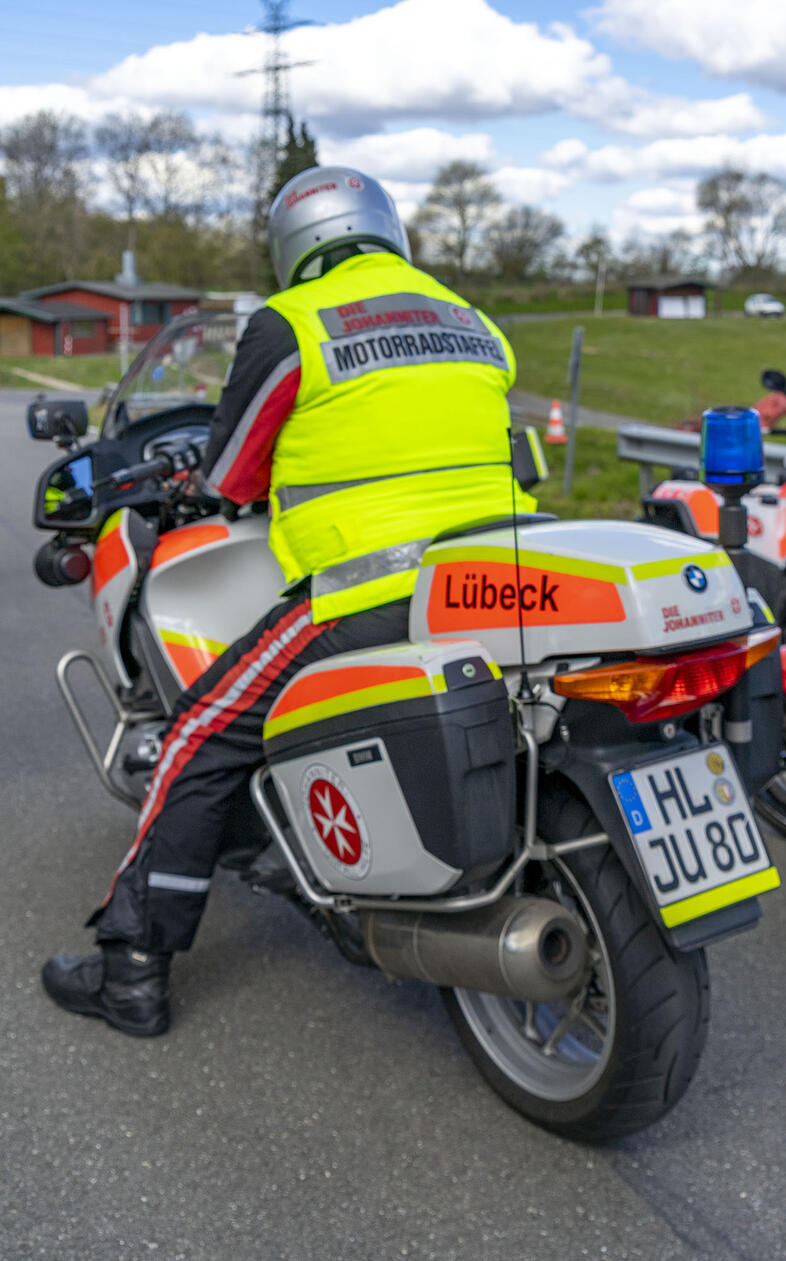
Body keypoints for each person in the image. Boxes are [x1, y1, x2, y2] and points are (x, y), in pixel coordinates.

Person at [42, 165, 534, 1037]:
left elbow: (232, 475)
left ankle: (133, 969)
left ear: (295, 245)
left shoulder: (295, 324)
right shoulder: (472, 321)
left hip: (375, 588)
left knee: (198, 732)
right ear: (388, 230)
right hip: (497, 580)